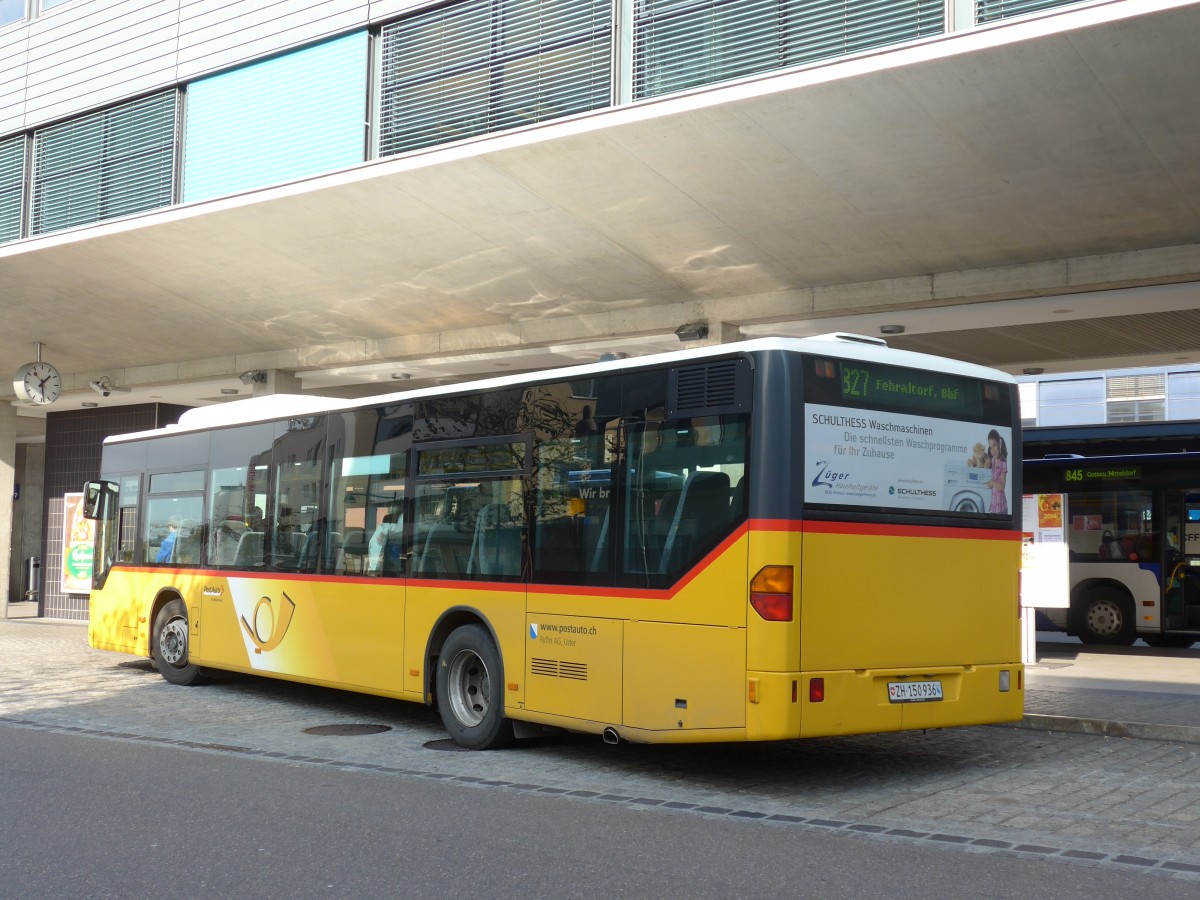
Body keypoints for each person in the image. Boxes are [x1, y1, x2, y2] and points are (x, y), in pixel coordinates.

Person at [984, 429, 1008, 515]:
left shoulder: (1003, 462)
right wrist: (989, 484)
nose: (992, 449)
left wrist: (991, 482)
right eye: (990, 447)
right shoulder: (992, 461)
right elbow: (991, 485)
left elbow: (1002, 487)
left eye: (994, 445)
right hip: (993, 508)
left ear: (999, 444)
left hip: (1001, 509)